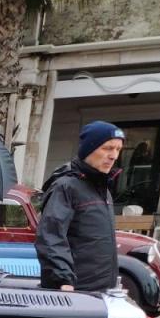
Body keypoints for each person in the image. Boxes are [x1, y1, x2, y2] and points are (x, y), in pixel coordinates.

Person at [36, 121, 126, 294]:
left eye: (118, 149)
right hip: (74, 292)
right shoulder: (66, 186)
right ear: (88, 149)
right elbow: (50, 236)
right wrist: (62, 280)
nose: (114, 155)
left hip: (101, 291)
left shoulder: (102, 190)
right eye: (107, 148)